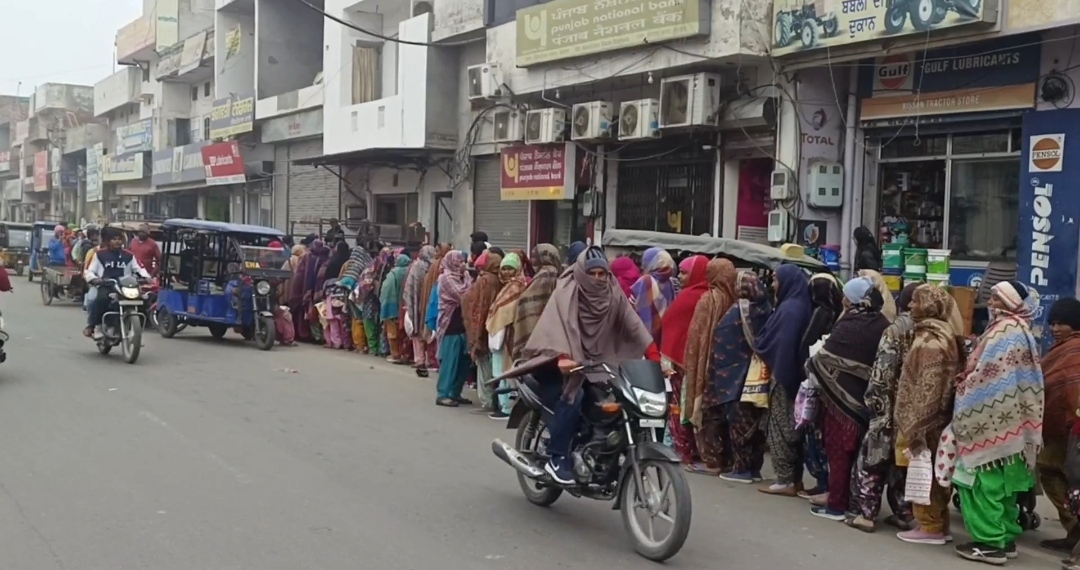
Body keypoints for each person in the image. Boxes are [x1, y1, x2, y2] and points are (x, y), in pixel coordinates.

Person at [521, 246, 653, 484]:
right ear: (582, 272)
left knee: (614, 399)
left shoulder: (612, 294)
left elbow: (633, 323)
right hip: (555, 364)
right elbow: (557, 327)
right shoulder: (566, 291)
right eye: (593, 273)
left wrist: (655, 355)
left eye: (603, 274)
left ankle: (603, 450)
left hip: (592, 365)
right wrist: (562, 357)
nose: (598, 279)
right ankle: (557, 457)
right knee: (575, 396)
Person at [952, 281, 1043, 565]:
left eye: (994, 298)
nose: (990, 302)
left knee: (979, 484)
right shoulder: (1021, 330)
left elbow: (987, 379)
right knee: (1004, 487)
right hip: (1014, 426)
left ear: (1007, 302)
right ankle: (1004, 537)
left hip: (990, 423)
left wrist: (963, 386)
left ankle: (990, 543)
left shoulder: (1004, 331)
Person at [806, 277, 890, 521]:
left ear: (853, 299)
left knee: (839, 453)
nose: (842, 298)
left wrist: (812, 362)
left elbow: (822, 360)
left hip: (840, 404)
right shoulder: (882, 323)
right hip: (864, 402)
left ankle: (836, 505)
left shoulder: (850, 324)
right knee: (856, 456)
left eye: (846, 294)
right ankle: (854, 502)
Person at [893, 284, 963, 543]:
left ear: (929, 305)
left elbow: (930, 386)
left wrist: (917, 425)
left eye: (915, 301)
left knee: (926, 470)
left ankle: (929, 526)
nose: (909, 306)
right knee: (936, 471)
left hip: (927, 420)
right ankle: (938, 524)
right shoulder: (942, 332)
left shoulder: (932, 339)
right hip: (939, 418)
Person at [848, 283, 920, 534]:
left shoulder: (895, 330)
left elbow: (882, 374)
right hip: (914, 411)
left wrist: (875, 405)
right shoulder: (929, 328)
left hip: (889, 407)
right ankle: (903, 512)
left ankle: (867, 514)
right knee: (901, 463)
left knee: (872, 460)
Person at [705, 269, 769, 482]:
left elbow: (724, 344)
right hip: (759, 376)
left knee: (739, 425)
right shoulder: (766, 309)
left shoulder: (738, 311)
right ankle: (754, 468)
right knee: (755, 425)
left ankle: (742, 469)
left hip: (735, 378)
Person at [757, 264, 813, 497]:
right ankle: (794, 479)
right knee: (791, 427)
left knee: (781, 427)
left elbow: (781, 345)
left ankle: (785, 479)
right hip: (794, 376)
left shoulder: (790, 309)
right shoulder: (798, 305)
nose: (773, 285)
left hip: (785, 376)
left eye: (776, 280)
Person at [679, 258, 738, 473]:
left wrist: (692, 364)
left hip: (707, 365)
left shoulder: (707, 300)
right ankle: (728, 459)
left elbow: (696, 338)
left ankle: (711, 460)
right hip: (730, 367)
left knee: (707, 413)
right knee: (725, 415)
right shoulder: (738, 301)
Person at [656, 255, 712, 470]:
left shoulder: (693, 296)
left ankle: (683, 449)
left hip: (685, 363)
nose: (680, 277)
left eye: (685, 272)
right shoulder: (699, 294)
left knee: (681, 407)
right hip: (693, 362)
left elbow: (672, 324)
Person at [1037, 298, 1080, 552]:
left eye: (1061, 323)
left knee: (1054, 472)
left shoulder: (1073, 350)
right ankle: (1074, 530)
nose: (1054, 328)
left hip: (1070, 431)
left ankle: (1075, 530)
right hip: (1062, 429)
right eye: (1052, 323)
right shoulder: (1061, 349)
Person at [799, 274, 845, 499]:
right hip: (826, 383)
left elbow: (806, 344)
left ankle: (824, 482)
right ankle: (824, 481)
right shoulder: (839, 313)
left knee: (817, 435)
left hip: (818, 382)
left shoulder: (821, 314)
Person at [82, 227, 151, 338]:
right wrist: (94, 279)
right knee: (101, 299)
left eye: (119, 239)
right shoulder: (100, 254)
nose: (117, 241)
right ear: (108, 241)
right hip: (107, 285)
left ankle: (137, 326)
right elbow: (89, 271)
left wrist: (147, 277)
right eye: (114, 239)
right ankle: (96, 326)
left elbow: (139, 268)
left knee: (143, 300)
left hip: (125, 287)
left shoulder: (129, 255)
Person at [485, 252, 527, 419]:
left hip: (510, 336)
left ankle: (507, 408)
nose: (507, 272)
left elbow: (505, 312)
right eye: (504, 269)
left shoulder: (516, 287)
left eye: (511, 268)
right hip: (503, 335)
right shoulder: (509, 286)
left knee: (506, 371)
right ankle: (504, 405)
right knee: (502, 371)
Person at [463, 251, 504, 414]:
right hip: (493, 328)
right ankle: (493, 400)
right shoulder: (498, 279)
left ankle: (487, 401)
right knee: (492, 366)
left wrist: (476, 332)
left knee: (484, 367)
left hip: (484, 327)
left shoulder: (485, 280)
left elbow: (479, 306)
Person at [510, 244, 562, 361]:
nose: (532, 261)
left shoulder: (545, 274)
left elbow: (528, 303)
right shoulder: (558, 274)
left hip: (539, 332)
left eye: (535, 257)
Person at [434, 251, 471, 407]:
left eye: (463, 261)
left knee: (464, 362)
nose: (462, 264)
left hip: (462, 325)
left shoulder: (462, 277)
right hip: (450, 325)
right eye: (459, 261)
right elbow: (462, 295)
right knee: (450, 362)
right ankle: (443, 393)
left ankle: (455, 392)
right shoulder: (446, 278)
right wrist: (469, 281)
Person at [629, 247, 677, 340]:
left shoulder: (646, 280)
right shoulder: (671, 282)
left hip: (644, 336)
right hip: (664, 336)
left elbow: (635, 309)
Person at [404, 245, 437, 376]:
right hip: (427, 303)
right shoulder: (434, 268)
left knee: (418, 331)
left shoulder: (416, 266)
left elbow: (409, 287)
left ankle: (420, 360)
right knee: (428, 330)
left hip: (416, 303)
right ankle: (429, 360)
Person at [379, 253, 411, 363]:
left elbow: (385, 290)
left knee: (392, 332)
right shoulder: (410, 271)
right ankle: (405, 354)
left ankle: (395, 354)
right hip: (406, 306)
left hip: (392, 307)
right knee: (405, 332)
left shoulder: (393, 274)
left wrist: (383, 302)